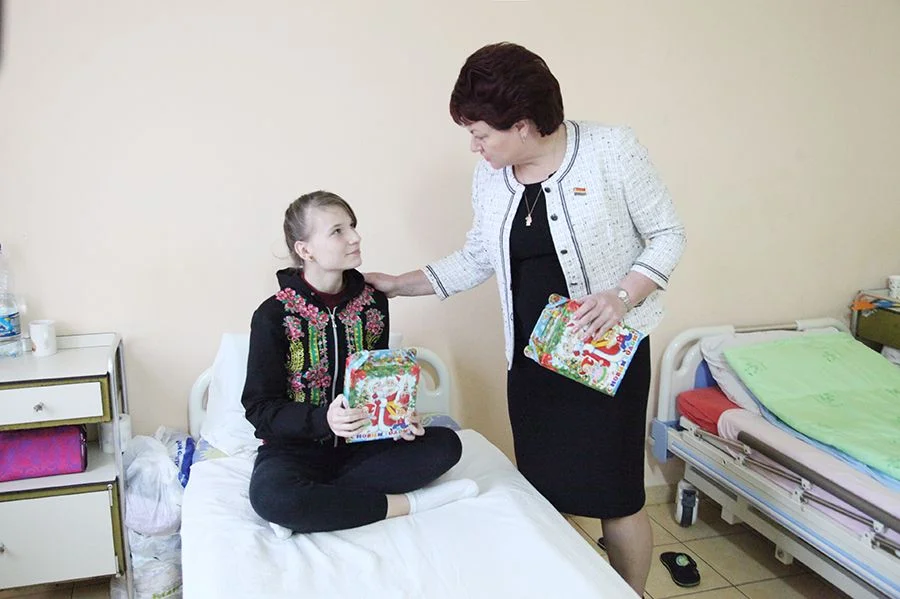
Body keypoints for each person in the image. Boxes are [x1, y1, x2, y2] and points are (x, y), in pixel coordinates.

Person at [365, 43, 686, 595]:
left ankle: (628, 592)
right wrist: (398, 284)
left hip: (606, 362)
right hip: (534, 367)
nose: (474, 146)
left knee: (617, 496)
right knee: (544, 495)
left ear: (523, 124)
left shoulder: (611, 149)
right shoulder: (491, 176)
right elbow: (477, 257)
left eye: (481, 134)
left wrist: (621, 297)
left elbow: (668, 234)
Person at [243, 190, 477, 538]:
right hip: (295, 451)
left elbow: (377, 384)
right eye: (337, 231)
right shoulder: (273, 315)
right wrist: (324, 420)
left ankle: (316, 506)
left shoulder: (373, 303)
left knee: (446, 445)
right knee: (271, 496)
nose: (355, 237)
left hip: (364, 447)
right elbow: (260, 408)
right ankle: (405, 504)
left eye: (352, 226)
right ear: (305, 250)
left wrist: (396, 420)